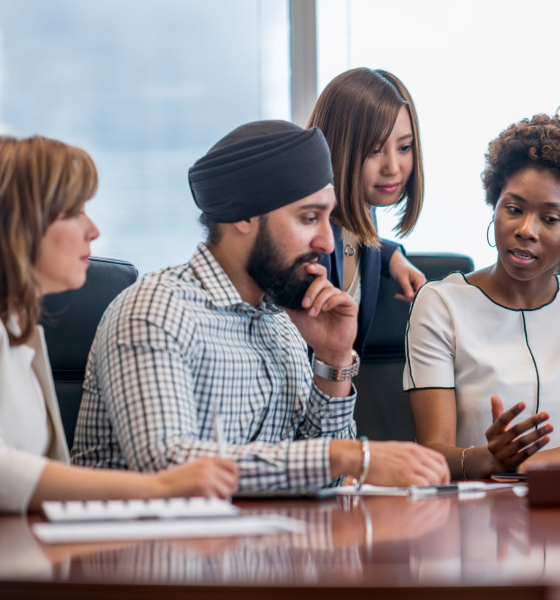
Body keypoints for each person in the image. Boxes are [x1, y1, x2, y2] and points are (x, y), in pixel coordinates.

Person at [71, 120, 450, 490]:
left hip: (258, 548)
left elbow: (329, 480)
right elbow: (168, 464)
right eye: (308, 218)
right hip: (147, 551)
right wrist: (346, 456)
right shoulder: (156, 311)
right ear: (243, 216)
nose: (327, 242)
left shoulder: (283, 324)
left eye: (326, 218)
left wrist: (334, 360)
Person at [0, 135, 239, 513]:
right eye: (73, 212)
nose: (92, 230)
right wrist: (159, 486)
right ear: (18, 224)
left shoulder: (17, 331)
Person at [404, 115, 560, 480]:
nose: (526, 230)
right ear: (495, 206)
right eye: (514, 209)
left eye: (551, 218)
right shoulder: (440, 304)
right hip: (475, 519)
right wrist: (487, 458)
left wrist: (535, 463)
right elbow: (431, 453)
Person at [307, 68, 426, 355]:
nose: (393, 168)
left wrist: (391, 255)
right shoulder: (307, 243)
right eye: (374, 150)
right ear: (338, 148)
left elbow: (350, 233)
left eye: (405, 147)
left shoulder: (362, 211)